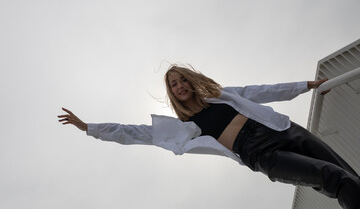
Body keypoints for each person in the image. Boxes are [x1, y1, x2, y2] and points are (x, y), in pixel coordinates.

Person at [58, 64, 360, 209]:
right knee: (331, 177)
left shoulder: (222, 95)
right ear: (171, 93)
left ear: (191, 81)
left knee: (348, 173)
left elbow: (261, 91)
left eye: (182, 80)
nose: (179, 86)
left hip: (282, 128)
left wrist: (307, 85)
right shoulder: (180, 127)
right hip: (259, 153)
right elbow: (132, 132)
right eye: (173, 85)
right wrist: (88, 127)